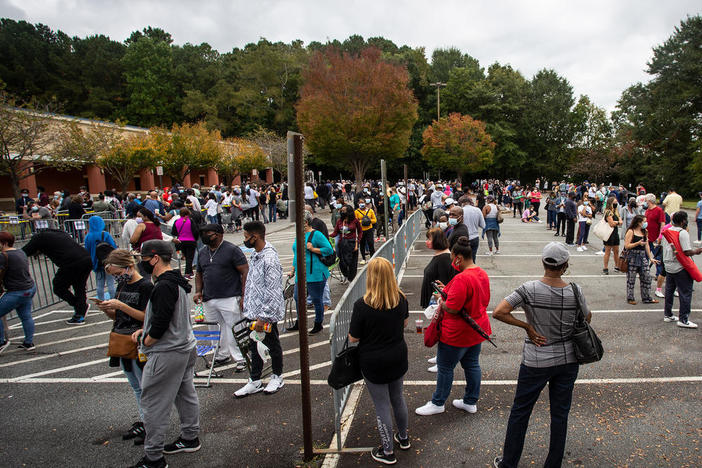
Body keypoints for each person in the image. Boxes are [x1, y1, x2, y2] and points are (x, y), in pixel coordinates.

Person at [492, 242, 591, 468]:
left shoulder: (529, 289)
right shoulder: (575, 290)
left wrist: (527, 326)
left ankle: (509, 463)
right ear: (565, 266)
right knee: (560, 414)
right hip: (568, 359)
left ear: (543, 262)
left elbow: (499, 312)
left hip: (536, 359)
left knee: (520, 412)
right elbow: (587, 318)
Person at [128, 240, 200, 468]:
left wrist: (147, 339)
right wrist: (147, 329)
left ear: (155, 258)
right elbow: (166, 316)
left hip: (168, 352)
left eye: (143, 259)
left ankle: (154, 458)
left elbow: (161, 321)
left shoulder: (163, 286)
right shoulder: (176, 281)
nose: (142, 263)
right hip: (184, 347)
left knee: (154, 404)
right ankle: (190, 437)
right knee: (185, 394)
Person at [415, 237, 491, 417]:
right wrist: (447, 290)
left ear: (458, 257)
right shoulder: (481, 273)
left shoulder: (462, 278)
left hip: (457, 333)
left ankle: (438, 402)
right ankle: (470, 401)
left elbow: (453, 308)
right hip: (477, 329)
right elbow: (482, 300)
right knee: (472, 365)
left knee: (445, 367)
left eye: (452, 259)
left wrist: (442, 300)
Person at [349, 257, 410, 465]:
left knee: (382, 405)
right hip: (397, 355)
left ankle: (388, 451)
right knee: (398, 397)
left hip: (373, 360)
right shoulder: (400, 299)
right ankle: (403, 438)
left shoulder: (362, 305)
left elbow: (353, 338)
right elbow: (404, 322)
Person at [99, 249, 153, 445]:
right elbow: (117, 316)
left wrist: (121, 306)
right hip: (121, 338)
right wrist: (108, 310)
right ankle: (145, 422)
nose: (117, 278)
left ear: (129, 266)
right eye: (114, 276)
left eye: (118, 273)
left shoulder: (145, 286)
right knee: (136, 386)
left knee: (144, 386)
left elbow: (147, 317)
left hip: (138, 341)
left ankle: (150, 426)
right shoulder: (122, 285)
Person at [235, 221, 286, 397]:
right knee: (254, 345)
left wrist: (263, 317)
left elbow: (272, 290)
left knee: (272, 344)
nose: (244, 240)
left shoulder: (269, 258)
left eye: (246, 237)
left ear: (254, 237)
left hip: (265, 315)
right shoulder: (257, 255)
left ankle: (277, 376)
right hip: (254, 311)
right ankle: (255, 379)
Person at [194, 224, 249, 369]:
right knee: (215, 329)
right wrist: (198, 291)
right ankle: (221, 355)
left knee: (235, 328)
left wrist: (244, 295)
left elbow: (245, 271)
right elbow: (199, 273)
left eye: (208, 233)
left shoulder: (232, 250)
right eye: (203, 233)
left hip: (230, 296)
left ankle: (241, 357)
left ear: (219, 234)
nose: (205, 236)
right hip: (209, 298)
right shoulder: (202, 252)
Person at [22, 229, 92, 325]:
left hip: (71, 263)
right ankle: (80, 313)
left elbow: (22, 253)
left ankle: (80, 307)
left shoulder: (38, 239)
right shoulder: (59, 233)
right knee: (79, 286)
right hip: (85, 259)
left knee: (59, 287)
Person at [290, 211, 334, 334]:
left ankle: (318, 323)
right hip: (301, 274)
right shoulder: (299, 235)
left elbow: (329, 250)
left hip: (316, 274)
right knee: (298, 298)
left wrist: (313, 249)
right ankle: (300, 322)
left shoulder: (317, 235)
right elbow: (296, 254)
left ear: (305, 222)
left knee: (316, 299)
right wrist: (293, 269)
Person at [662, 211, 702, 328]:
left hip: (669, 265)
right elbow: (686, 251)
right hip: (680, 267)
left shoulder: (667, 231)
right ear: (683, 221)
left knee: (669, 291)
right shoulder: (682, 233)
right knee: (685, 292)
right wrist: (698, 250)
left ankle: (668, 314)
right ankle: (683, 319)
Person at [0, 231, 36, 352]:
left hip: (16, 291)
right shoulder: (20, 252)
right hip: (29, 288)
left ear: (4, 243)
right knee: (26, 316)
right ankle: (29, 342)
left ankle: (1, 341)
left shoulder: (3, 256)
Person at [624, 215, 659, 305]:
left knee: (646, 277)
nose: (645, 223)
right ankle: (630, 298)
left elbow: (646, 245)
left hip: (642, 256)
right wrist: (638, 243)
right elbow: (627, 245)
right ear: (638, 222)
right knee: (631, 279)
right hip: (632, 256)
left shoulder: (645, 231)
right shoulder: (631, 231)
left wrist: (650, 257)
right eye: (644, 221)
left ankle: (646, 297)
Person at [331, 205, 362, 284]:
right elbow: (335, 232)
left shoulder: (355, 221)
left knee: (352, 263)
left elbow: (360, 231)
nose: (342, 212)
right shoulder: (339, 221)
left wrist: (357, 241)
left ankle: (351, 279)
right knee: (342, 262)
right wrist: (326, 236)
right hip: (342, 244)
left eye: (344, 211)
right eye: (341, 211)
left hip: (352, 244)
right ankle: (346, 275)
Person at [171, 208, 199, 279]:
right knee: (190, 258)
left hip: (180, 241)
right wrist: (196, 238)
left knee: (185, 257)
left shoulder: (176, 221)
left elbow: (174, 232)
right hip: (190, 241)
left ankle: (189, 271)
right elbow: (195, 231)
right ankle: (187, 273)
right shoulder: (190, 221)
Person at [602, 197, 623, 274]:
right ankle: (605, 267)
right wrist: (618, 222)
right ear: (610, 203)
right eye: (614, 202)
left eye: (616, 202)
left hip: (615, 232)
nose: (616, 204)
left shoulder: (616, 211)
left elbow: (620, 220)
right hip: (609, 233)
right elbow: (611, 223)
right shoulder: (608, 212)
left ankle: (617, 266)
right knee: (607, 251)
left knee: (616, 251)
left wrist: (617, 222)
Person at [355, 200, 377, 265]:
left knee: (370, 243)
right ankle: (363, 258)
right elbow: (355, 221)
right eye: (360, 203)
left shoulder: (370, 211)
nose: (361, 204)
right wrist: (362, 221)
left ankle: (372, 257)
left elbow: (374, 220)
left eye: (362, 203)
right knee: (362, 244)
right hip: (361, 230)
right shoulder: (356, 212)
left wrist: (368, 221)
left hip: (369, 229)